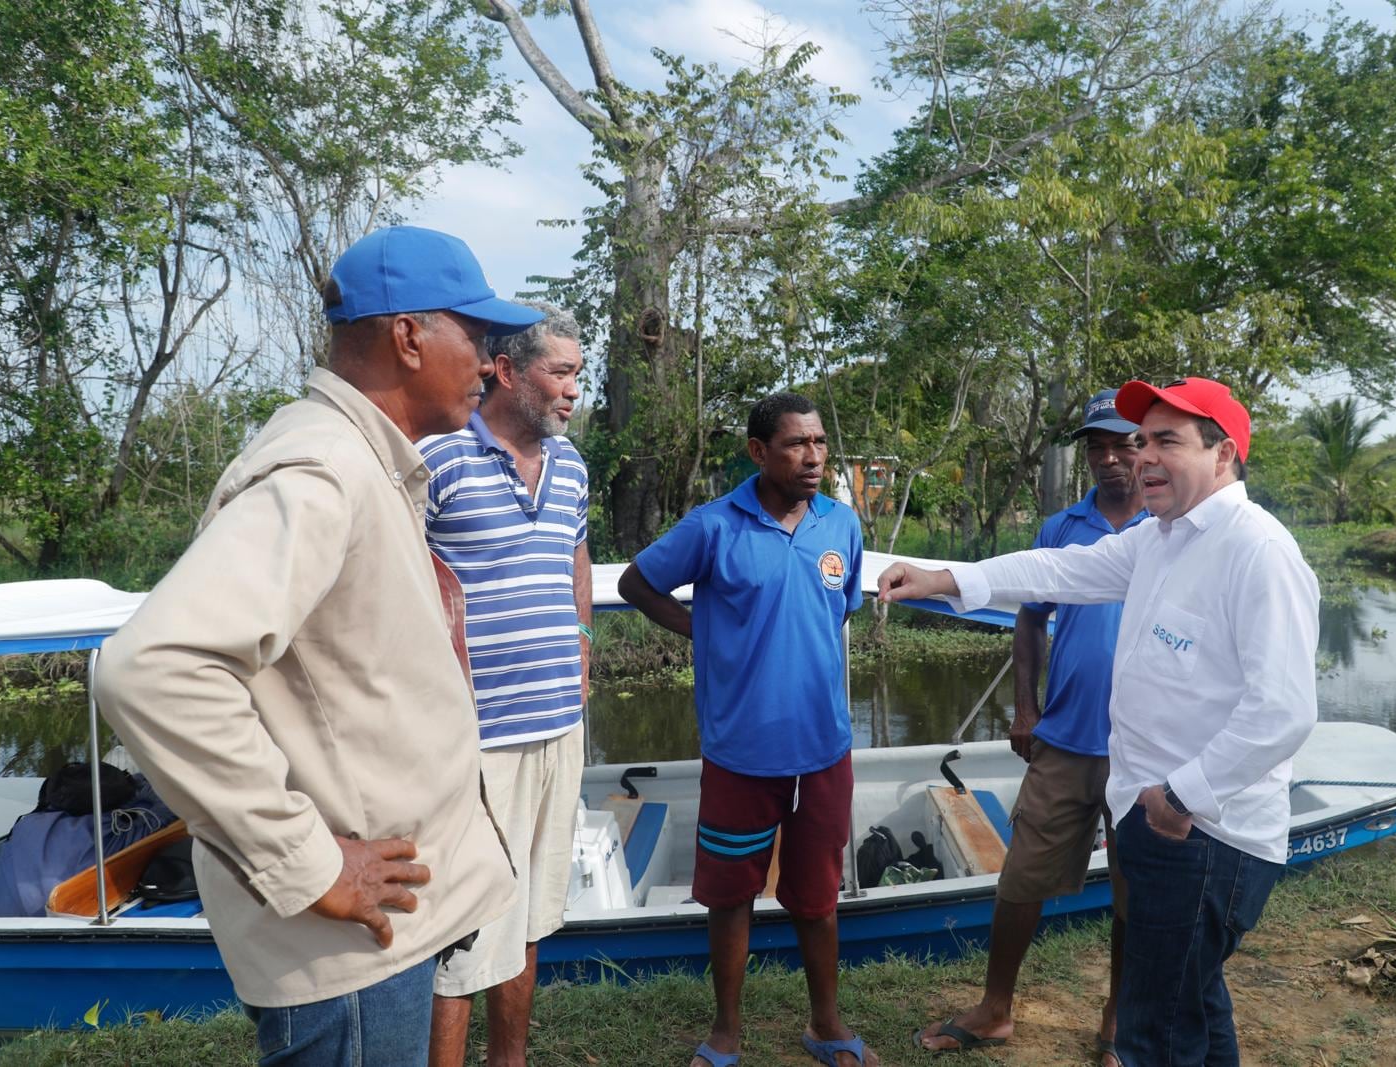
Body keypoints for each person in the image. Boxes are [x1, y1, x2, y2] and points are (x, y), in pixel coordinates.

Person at [93, 225, 541, 1066]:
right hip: (349, 955)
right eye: (477, 337)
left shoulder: (364, 465)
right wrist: (309, 863)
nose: (489, 363)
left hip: (374, 940)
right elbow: (153, 668)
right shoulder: (325, 469)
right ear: (408, 337)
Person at [880, 377, 1319, 1067]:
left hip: (1204, 834)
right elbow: (1059, 567)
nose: (1142, 456)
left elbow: (1285, 708)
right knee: (1195, 1007)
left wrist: (1181, 797)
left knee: (1155, 1032)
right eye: (1141, 440)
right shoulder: (1162, 540)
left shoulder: (1256, 550)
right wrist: (946, 579)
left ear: (1224, 453)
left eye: (1166, 440)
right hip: (1159, 816)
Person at [618, 392, 879, 1067]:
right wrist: (701, 629)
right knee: (731, 896)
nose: (814, 457)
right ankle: (726, 1031)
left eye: (820, 442)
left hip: (823, 748)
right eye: (796, 444)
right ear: (759, 452)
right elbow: (637, 582)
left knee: (818, 895)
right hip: (739, 751)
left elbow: (836, 611)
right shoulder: (713, 527)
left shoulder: (840, 525)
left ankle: (826, 1024)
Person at [914, 389, 1147, 1064]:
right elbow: (1029, 614)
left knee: (1134, 889)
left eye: (1124, 443)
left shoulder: (1168, 528)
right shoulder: (1062, 526)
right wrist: (1024, 707)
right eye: (1096, 446)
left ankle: (1115, 1017)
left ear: (1149, 446)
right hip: (1066, 736)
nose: (1109, 458)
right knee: (1022, 878)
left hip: (1142, 746)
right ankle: (995, 1007)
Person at [421, 302, 590, 1067]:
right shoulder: (439, 457)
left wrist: (584, 640)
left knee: (527, 915)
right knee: (462, 930)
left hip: (560, 727)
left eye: (578, 374)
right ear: (507, 370)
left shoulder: (573, 466)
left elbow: (577, 558)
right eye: (560, 372)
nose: (572, 391)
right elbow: (401, 574)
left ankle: (509, 1061)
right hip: (477, 740)